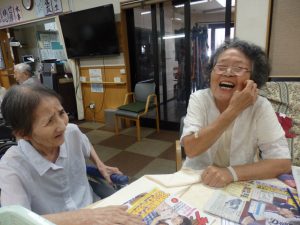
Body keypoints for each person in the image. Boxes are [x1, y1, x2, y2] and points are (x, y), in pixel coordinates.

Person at [0, 84, 144, 225]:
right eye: (50, 121)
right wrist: (84, 217)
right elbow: (16, 221)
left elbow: (85, 145)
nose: (63, 125)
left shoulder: (72, 132)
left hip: (96, 210)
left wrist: (100, 164)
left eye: (61, 113)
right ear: (23, 134)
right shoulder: (11, 167)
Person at [181, 39, 291, 188]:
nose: (227, 73)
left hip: (240, 181)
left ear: (253, 79)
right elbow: (191, 149)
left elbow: (282, 163)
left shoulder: (260, 106)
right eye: (221, 66)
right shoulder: (199, 99)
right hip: (197, 179)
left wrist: (230, 173)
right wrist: (233, 110)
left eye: (238, 68)